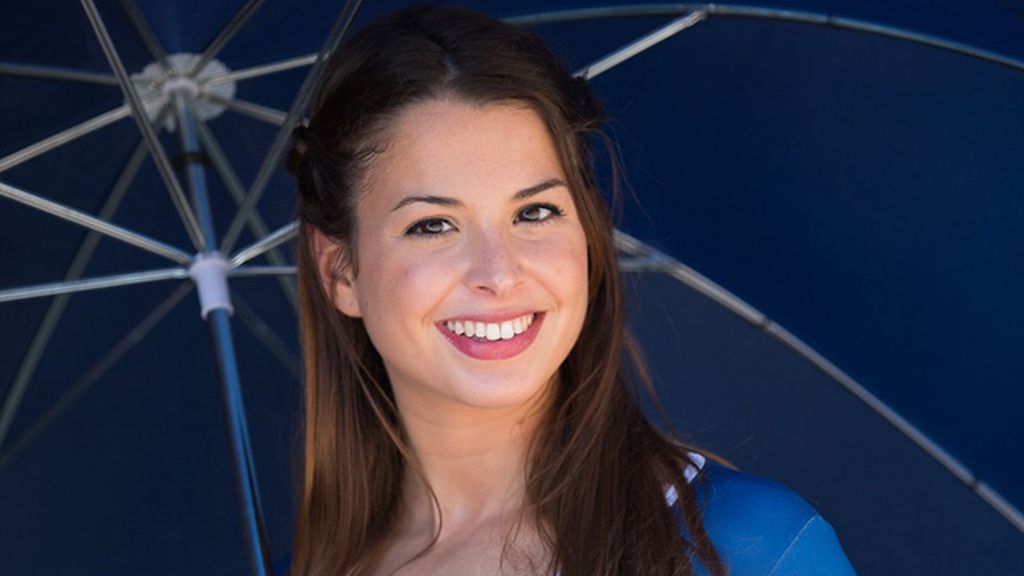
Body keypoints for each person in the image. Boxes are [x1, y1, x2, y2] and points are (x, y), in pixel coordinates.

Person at [286, 5, 856, 575]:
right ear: (341, 272)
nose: (500, 271)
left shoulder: (751, 545)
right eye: (432, 225)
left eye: (535, 212)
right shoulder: (329, 566)